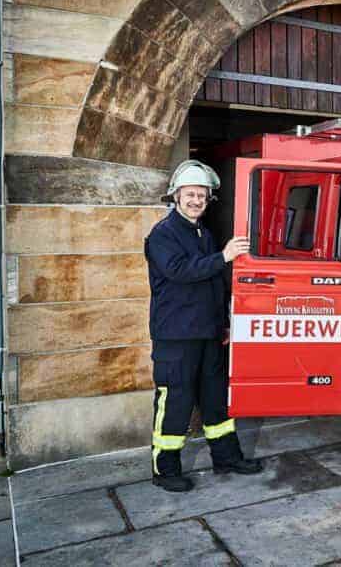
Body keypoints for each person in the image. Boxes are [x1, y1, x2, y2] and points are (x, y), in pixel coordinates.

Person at [144, 160, 262, 493]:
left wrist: (223, 324)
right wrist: (223, 256)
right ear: (176, 196)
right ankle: (165, 470)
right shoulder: (162, 235)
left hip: (208, 333)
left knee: (216, 401)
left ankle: (227, 457)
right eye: (190, 194)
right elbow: (180, 271)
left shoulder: (203, 233)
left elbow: (213, 285)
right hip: (176, 337)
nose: (196, 200)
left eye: (201, 195)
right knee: (175, 401)